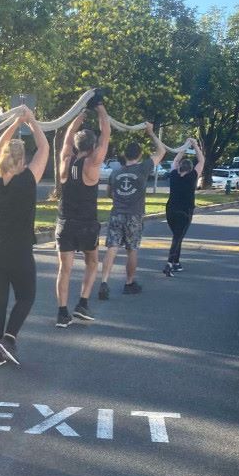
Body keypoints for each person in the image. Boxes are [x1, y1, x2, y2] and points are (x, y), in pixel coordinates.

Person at [0, 106, 49, 367]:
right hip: (18, 253)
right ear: (22, 161)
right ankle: (8, 339)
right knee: (26, 297)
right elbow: (44, 149)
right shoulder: (28, 180)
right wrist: (31, 121)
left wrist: (13, 123)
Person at [55, 89, 110, 326]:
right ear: (93, 145)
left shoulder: (66, 161)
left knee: (64, 269)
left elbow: (67, 139)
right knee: (92, 263)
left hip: (65, 223)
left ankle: (61, 313)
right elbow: (106, 132)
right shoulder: (93, 162)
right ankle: (82, 304)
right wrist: (99, 108)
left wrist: (78, 117)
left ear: (77, 145)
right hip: (87, 224)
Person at [98, 123, 167, 298]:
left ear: (124, 155)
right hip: (134, 216)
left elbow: (109, 194)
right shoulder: (143, 168)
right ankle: (129, 283)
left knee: (112, 248)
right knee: (132, 249)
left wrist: (120, 199)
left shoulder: (115, 173)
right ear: (140, 155)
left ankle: (104, 282)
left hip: (116, 214)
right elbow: (161, 152)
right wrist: (151, 132)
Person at [163, 138, 204, 276]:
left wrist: (185, 146)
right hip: (185, 211)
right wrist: (195, 146)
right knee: (177, 237)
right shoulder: (192, 176)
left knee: (177, 235)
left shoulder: (174, 174)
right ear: (191, 168)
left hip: (170, 210)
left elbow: (175, 160)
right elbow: (202, 161)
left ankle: (176, 262)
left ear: (180, 166)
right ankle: (169, 262)